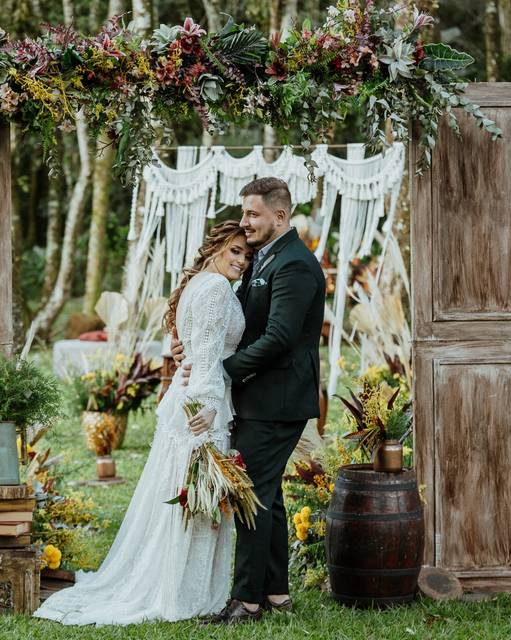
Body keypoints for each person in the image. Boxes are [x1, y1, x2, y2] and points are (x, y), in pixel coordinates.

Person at [34, 220, 253, 625]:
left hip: (188, 399)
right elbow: (204, 355)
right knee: (197, 498)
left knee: (180, 495)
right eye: (234, 250)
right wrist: (206, 406)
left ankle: (178, 583)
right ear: (215, 247)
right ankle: (187, 594)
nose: (241, 259)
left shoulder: (197, 285)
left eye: (246, 253)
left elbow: (192, 348)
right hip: (201, 408)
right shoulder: (216, 289)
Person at [173, 177, 326, 624]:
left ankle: (246, 601)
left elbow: (279, 337)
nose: (245, 223)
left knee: (251, 495)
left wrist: (222, 371)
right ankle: (276, 592)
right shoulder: (265, 257)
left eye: (252, 214)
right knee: (268, 495)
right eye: (244, 213)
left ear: (280, 216)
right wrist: (193, 348)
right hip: (257, 397)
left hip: (278, 400)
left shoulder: (295, 265)